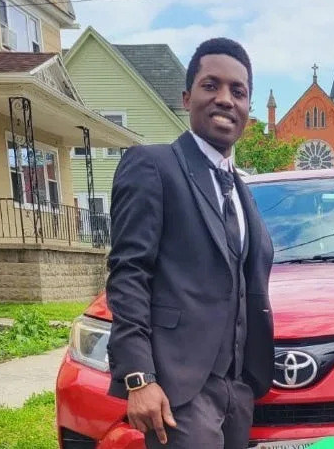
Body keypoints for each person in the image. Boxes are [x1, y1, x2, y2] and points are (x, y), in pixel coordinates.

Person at [106, 37, 275, 448]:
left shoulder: (241, 189)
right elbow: (129, 274)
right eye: (210, 85)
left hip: (237, 388)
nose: (225, 99)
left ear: (248, 109)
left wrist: (246, 382)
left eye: (238, 91)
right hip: (179, 388)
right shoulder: (153, 165)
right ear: (187, 97)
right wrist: (139, 377)